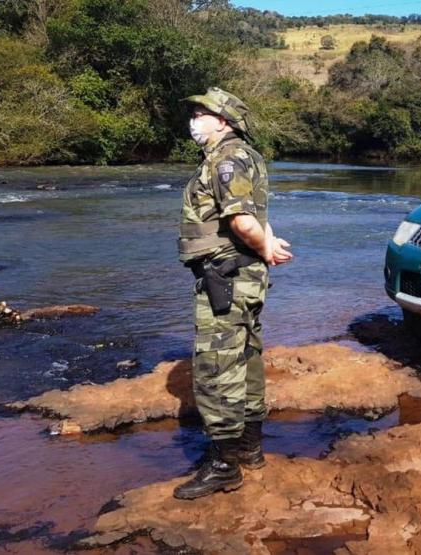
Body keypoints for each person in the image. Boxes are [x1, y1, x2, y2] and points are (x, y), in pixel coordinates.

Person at [173, 87, 293, 500]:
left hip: (226, 276)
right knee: (246, 357)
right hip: (241, 276)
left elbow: (242, 222)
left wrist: (262, 246)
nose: (192, 120)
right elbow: (259, 215)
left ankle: (225, 465)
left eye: (200, 113)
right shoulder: (246, 156)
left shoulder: (227, 159)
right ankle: (249, 450)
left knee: (216, 366)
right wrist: (266, 247)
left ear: (222, 121)